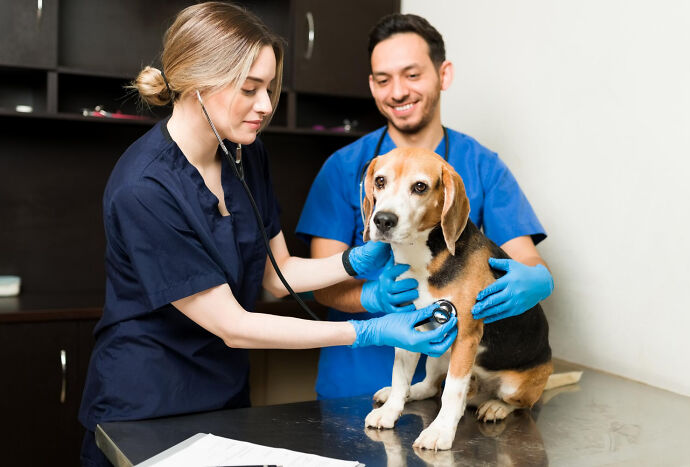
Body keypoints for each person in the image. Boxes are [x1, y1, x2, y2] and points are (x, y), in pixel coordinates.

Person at [78, 4, 458, 466]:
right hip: (145, 405)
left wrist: (353, 263)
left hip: (225, 396)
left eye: (270, 88)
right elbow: (233, 326)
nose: (265, 105)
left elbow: (277, 277)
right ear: (199, 82)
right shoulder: (145, 189)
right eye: (250, 89)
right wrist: (368, 330)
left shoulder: (243, 153)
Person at [296, 13, 554, 400]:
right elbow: (322, 287)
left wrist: (535, 281)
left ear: (443, 74)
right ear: (372, 86)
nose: (397, 91)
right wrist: (372, 297)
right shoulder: (344, 167)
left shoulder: (483, 166)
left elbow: (525, 261)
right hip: (352, 386)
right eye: (383, 80)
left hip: (450, 386)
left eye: (412, 75)